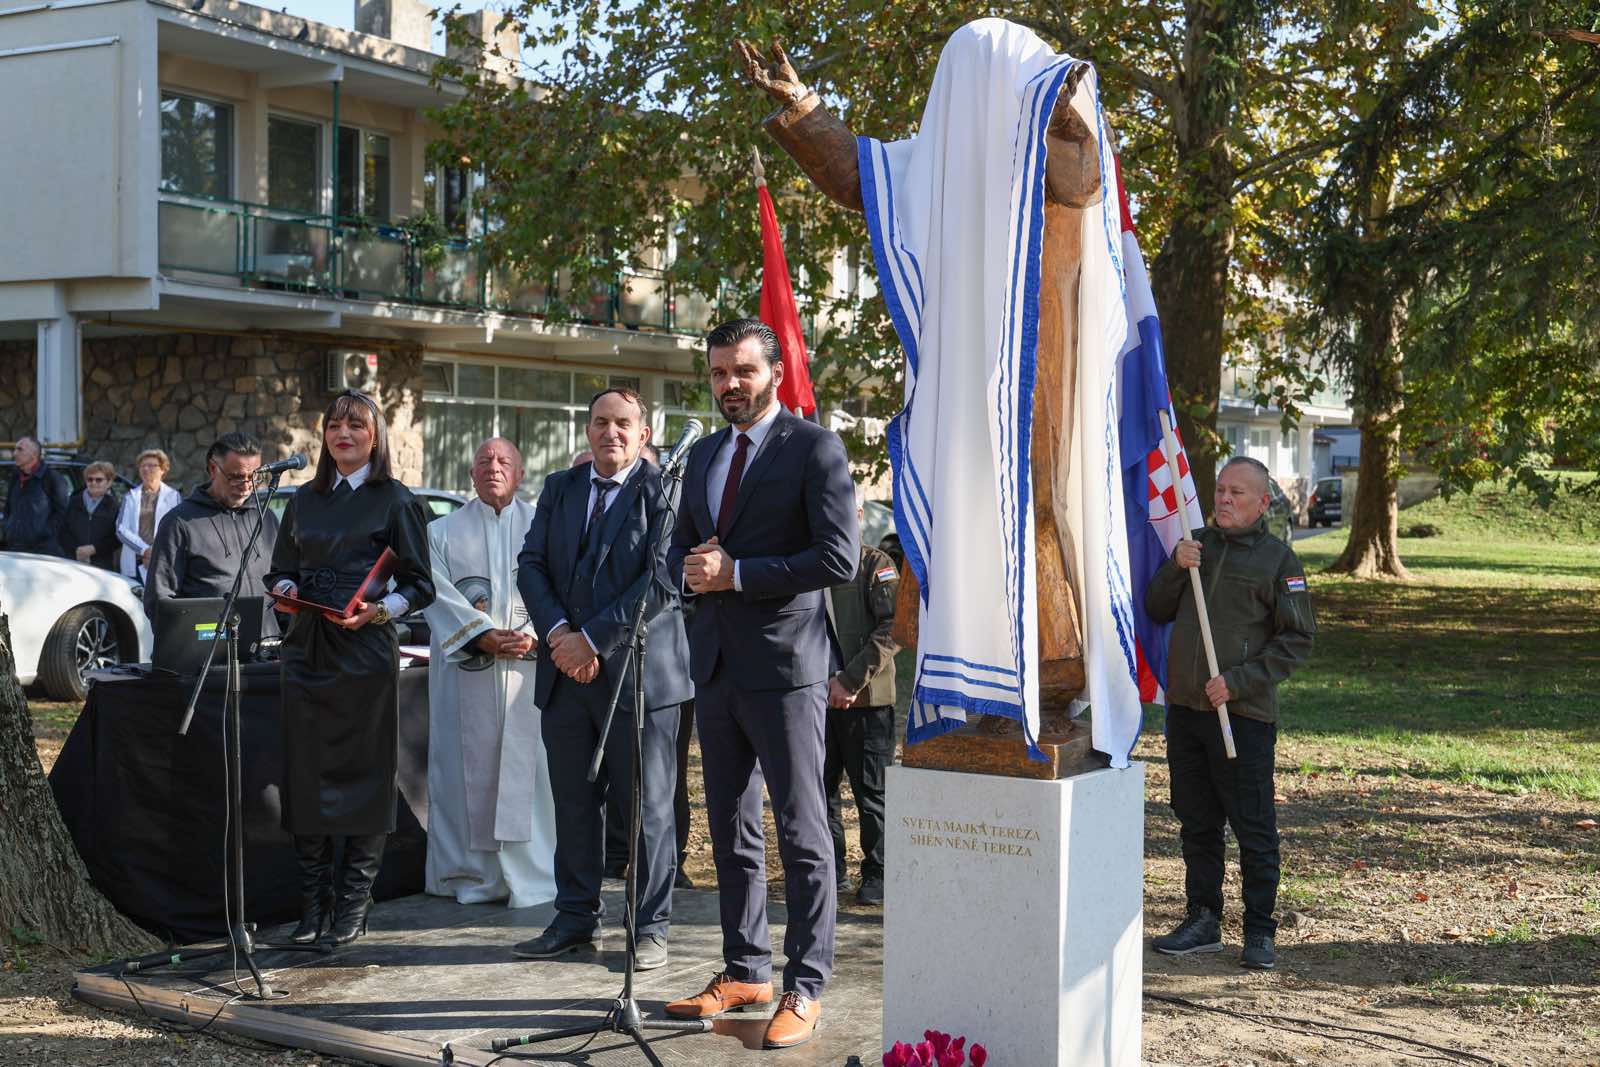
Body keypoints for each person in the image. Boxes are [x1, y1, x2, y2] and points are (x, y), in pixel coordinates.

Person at [663, 318, 857, 1049]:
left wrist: (737, 573)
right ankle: (746, 968)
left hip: (787, 669)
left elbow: (837, 557)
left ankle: (807, 983)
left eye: (742, 371)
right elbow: (684, 543)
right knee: (732, 830)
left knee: (803, 831)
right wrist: (688, 568)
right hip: (714, 667)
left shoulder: (814, 447)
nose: (729, 386)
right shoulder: (705, 453)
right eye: (718, 373)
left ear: (774, 370)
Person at [515, 387, 691, 971]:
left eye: (622, 424)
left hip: (638, 678)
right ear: (586, 430)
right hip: (566, 676)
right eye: (599, 423)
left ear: (643, 434)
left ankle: (649, 927)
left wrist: (592, 639)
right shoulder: (560, 488)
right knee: (573, 802)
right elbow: (531, 564)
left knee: (646, 807)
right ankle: (574, 917)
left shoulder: (664, 491)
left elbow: (664, 579)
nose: (609, 433)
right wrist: (561, 634)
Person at [265, 391, 435, 947]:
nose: (343, 433)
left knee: (363, 778)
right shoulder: (305, 500)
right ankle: (314, 908)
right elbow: (281, 569)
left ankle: (352, 910)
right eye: (334, 424)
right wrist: (286, 591)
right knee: (306, 776)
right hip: (306, 649)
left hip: (364, 654)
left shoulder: (396, 501)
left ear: (374, 436)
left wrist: (382, 611)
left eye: (355, 426)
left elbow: (421, 586)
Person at [1145, 456, 1316, 971]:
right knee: (1196, 822)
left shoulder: (1278, 562)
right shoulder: (1195, 546)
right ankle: (1202, 919)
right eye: (1219, 490)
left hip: (1242, 716)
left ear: (1263, 502)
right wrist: (1176, 566)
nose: (1223, 499)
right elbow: (1154, 608)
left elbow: (1297, 640)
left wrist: (1238, 682)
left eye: (1237, 493)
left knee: (1254, 826)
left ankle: (1260, 929)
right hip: (1187, 710)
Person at [422, 437, 557, 909]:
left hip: (530, 672)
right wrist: (479, 634)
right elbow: (435, 593)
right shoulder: (441, 532)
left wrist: (539, 634)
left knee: (532, 775)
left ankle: (535, 873)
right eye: (483, 460)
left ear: (520, 474)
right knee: (466, 772)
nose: (493, 467)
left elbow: (563, 585)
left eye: (503, 461)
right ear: (471, 475)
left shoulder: (545, 525)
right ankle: (473, 875)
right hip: (469, 675)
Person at [824, 485, 900, 908]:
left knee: (872, 795)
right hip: (817, 702)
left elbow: (894, 630)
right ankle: (830, 870)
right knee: (820, 791)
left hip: (866, 701)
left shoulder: (876, 564)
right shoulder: (812, 567)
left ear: (857, 514)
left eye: (843, 511)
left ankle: (878, 874)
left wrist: (850, 680)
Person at [142, 433, 277, 613]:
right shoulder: (179, 523)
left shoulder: (266, 517)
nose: (246, 486)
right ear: (213, 469)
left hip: (268, 639)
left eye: (255, 477)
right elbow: (160, 600)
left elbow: (280, 579)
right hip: (210, 639)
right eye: (236, 477)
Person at [117, 448, 181, 581]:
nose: (146, 469)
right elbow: (121, 529)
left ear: (163, 470)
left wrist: (155, 553)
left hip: (162, 560)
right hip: (134, 561)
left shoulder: (173, 497)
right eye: (143, 466)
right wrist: (145, 551)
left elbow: (176, 530)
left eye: (152, 465)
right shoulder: (130, 496)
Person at [4, 436, 70, 555]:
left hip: (42, 551)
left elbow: (62, 513)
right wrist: (8, 528)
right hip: (14, 548)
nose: (15, 453)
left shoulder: (52, 478)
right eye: (15, 449)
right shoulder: (15, 477)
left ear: (34, 454)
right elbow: (8, 508)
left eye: (20, 449)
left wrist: (43, 534)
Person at [58, 460, 120, 569]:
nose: (93, 483)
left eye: (99, 480)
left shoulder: (114, 507)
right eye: (90, 479)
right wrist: (76, 549)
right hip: (71, 561)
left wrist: (94, 549)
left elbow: (117, 537)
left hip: (101, 564)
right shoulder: (72, 502)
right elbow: (61, 530)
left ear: (109, 482)